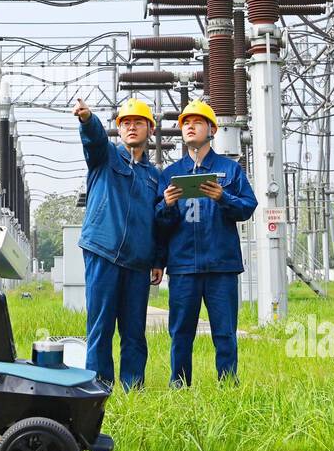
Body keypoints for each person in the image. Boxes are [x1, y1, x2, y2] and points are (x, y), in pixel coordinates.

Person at [156, 99, 257, 386]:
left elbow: (248, 207)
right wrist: (166, 205)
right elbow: (160, 225)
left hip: (221, 265)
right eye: (186, 123)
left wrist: (222, 197)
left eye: (197, 122)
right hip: (184, 266)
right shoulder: (170, 175)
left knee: (225, 332)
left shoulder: (229, 170)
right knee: (180, 332)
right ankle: (179, 385)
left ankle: (227, 385)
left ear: (211, 129)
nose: (190, 126)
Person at [73, 96, 164, 390]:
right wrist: (88, 120)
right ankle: (98, 389)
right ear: (119, 130)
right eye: (126, 123)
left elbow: (160, 221)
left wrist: (158, 260)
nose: (132, 128)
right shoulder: (107, 157)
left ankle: (133, 388)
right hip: (103, 251)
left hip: (138, 262)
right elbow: (94, 140)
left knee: (134, 331)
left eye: (138, 122)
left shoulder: (155, 177)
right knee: (100, 327)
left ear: (150, 129)